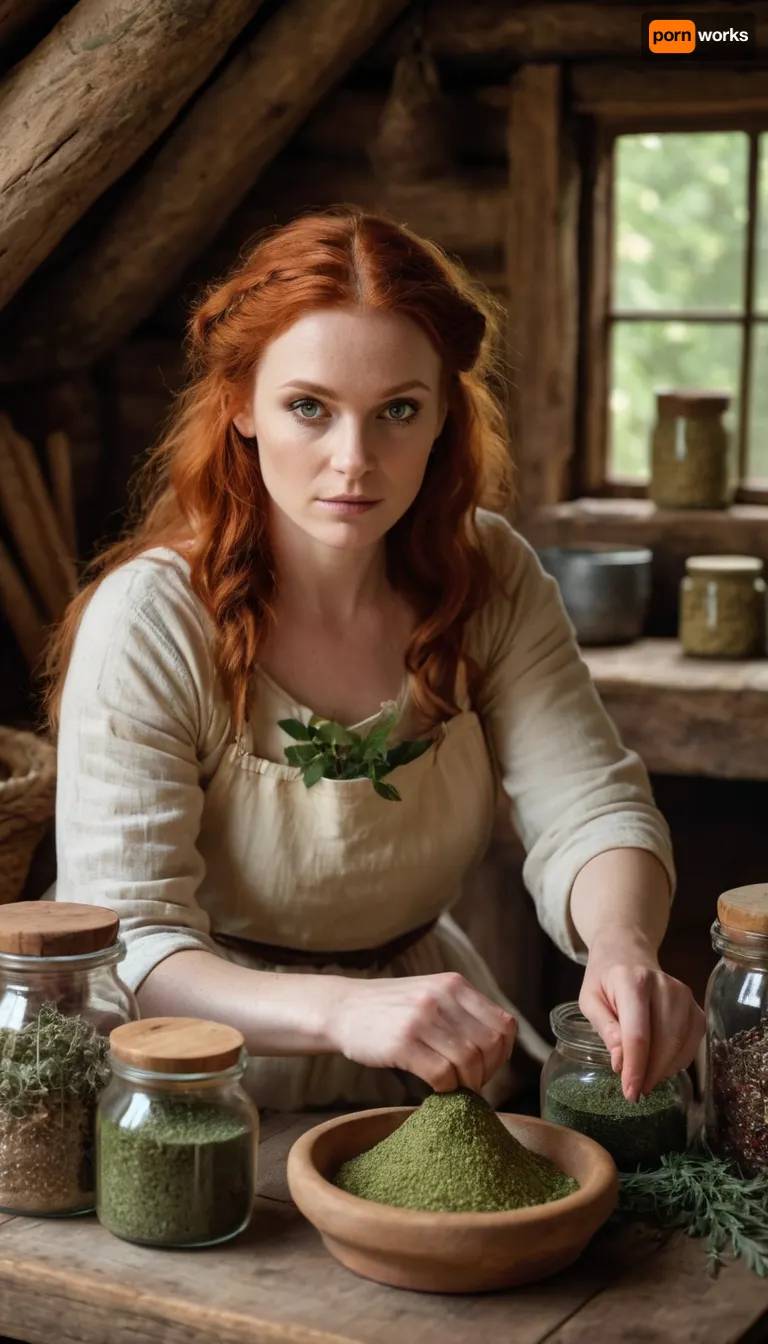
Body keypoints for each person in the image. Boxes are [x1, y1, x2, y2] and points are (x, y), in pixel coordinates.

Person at [46, 207, 704, 1112]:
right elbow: (131, 946)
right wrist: (344, 1011)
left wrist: (625, 946)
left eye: (398, 410)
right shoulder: (153, 623)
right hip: (188, 1075)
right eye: (307, 407)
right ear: (240, 405)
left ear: (442, 417)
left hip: (425, 1051)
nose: (353, 461)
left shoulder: (492, 577)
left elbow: (589, 807)